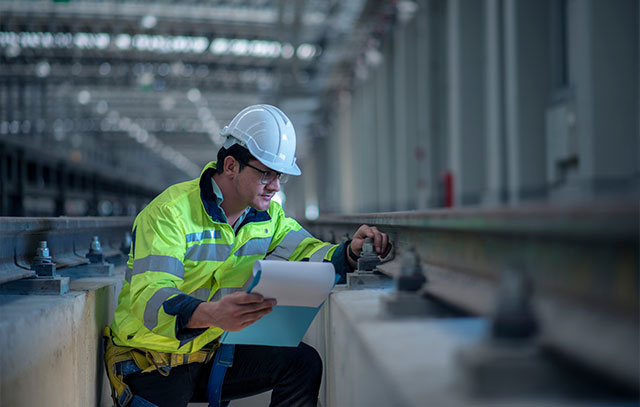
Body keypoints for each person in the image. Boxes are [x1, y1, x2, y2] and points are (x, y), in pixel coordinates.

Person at [104, 104, 391, 407]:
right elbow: (151, 297)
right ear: (230, 166)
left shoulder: (269, 219)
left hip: (210, 353)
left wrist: (349, 252)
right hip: (151, 362)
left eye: (280, 176)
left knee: (302, 364)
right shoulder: (169, 213)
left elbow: (311, 254)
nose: (275, 186)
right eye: (266, 174)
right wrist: (213, 314)